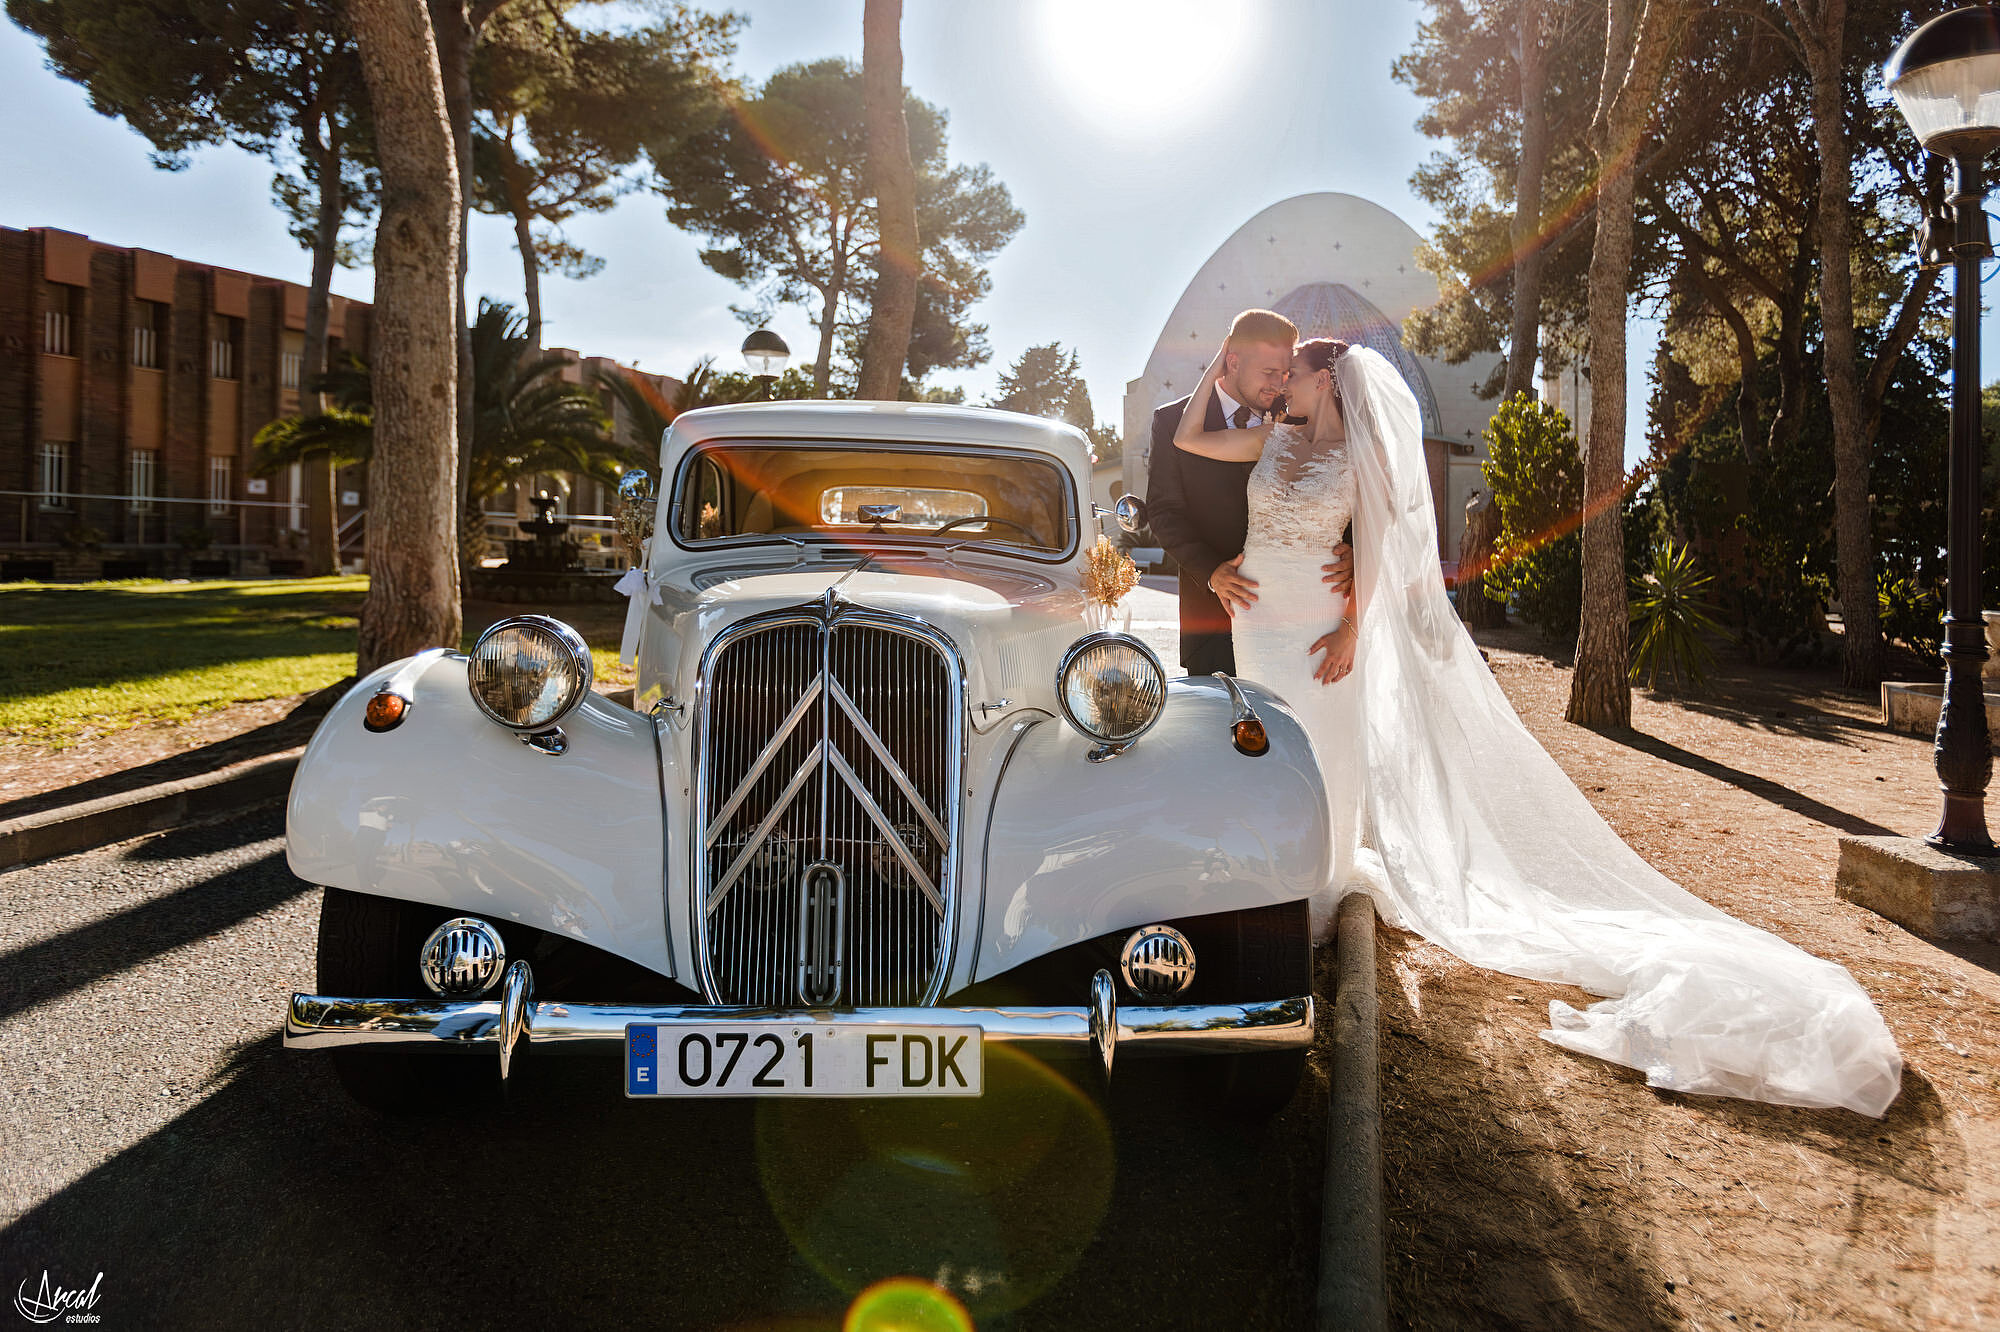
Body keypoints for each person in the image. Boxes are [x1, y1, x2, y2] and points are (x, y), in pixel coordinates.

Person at [1174, 335, 1904, 1118]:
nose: (1282, 382)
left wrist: (1354, 623)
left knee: (1321, 748)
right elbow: (1190, 437)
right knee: (1266, 748)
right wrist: (1221, 362)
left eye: (1294, 372)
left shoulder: (1364, 452)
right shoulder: (1273, 437)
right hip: (1258, 624)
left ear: (1328, 378)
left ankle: (1312, 894)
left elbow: (1388, 545)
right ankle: (1271, 870)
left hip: (1320, 626)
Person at [1147, 308, 1354, 675]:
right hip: (1212, 621)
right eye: (1269, 372)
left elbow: (1344, 495)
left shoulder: (1302, 412)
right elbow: (1165, 512)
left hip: (1310, 614)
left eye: (1286, 373)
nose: (1279, 385)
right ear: (1232, 361)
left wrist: (1355, 554)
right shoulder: (1171, 421)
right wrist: (1211, 572)